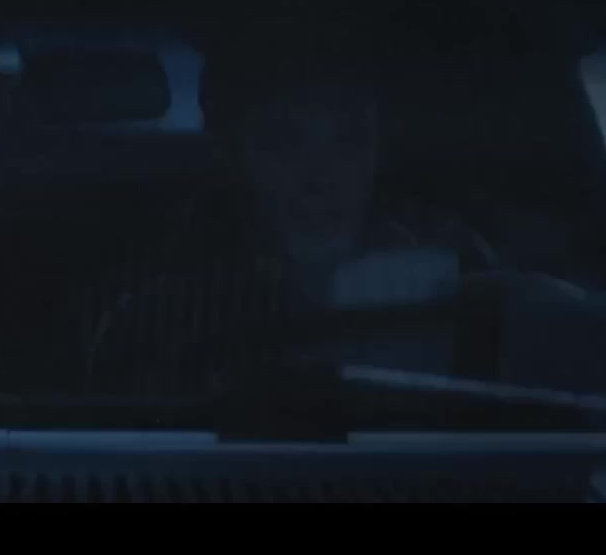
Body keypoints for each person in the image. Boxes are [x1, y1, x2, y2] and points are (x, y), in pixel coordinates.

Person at [75, 35, 498, 393]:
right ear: (237, 156)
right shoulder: (165, 301)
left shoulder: (455, 270)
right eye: (284, 141)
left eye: (350, 140)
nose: (321, 177)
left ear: (380, 152)